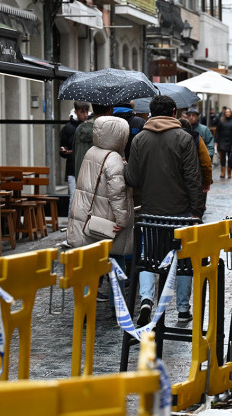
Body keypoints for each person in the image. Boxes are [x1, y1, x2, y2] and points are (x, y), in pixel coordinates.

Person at [125, 95, 202, 325]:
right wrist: (196, 210)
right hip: (180, 212)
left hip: (150, 213)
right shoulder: (184, 138)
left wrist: (125, 167)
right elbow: (193, 177)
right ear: (174, 111)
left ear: (150, 112)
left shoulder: (140, 140)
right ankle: (182, 309)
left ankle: (147, 299)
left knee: (147, 257)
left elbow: (134, 178)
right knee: (183, 259)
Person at [65, 116, 134, 299]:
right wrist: (122, 219)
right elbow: (117, 193)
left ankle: (85, 303)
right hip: (107, 219)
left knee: (90, 263)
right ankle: (117, 304)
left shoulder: (91, 152)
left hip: (89, 216)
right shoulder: (113, 158)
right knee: (115, 261)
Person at [73, 103, 114, 181]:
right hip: (102, 181)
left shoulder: (80, 128)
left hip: (82, 179)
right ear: (109, 110)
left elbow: (75, 153)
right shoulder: (110, 129)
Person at [60, 101, 90, 206]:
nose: (85, 114)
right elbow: (63, 146)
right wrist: (65, 151)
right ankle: (72, 222)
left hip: (86, 167)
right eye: (82, 112)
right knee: (73, 198)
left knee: (86, 199)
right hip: (73, 168)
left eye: (86, 111)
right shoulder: (68, 128)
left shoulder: (90, 125)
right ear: (76, 112)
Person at [215, 107, 232, 179]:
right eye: (226, 112)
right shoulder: (221, 121)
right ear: (224, 113)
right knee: (222, 158)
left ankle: (229, 173)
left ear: (231, 113)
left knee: (230, 158)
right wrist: (216, 141)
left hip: (231, 141)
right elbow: (217, 131)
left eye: (229, 112)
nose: (227, 113)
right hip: (222, 142)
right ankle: (223, 172)